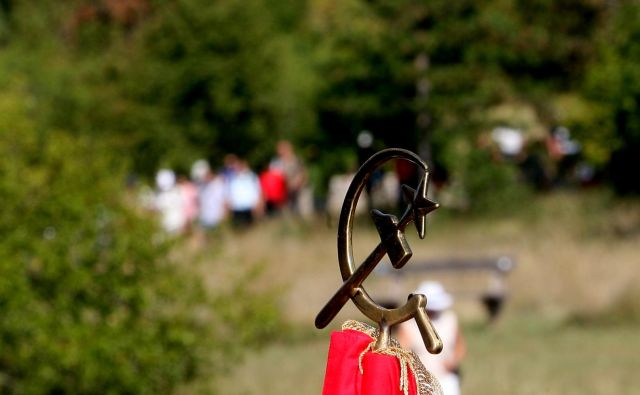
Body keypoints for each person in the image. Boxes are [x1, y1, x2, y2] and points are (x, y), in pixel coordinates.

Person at [399, 281, 466, 395]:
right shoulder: (409, 324)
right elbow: (401, 351)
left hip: (445, 378)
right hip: (421, 380)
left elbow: (460, 346)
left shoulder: (449, 320)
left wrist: (452, 362)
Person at [270, 140, 306, 213]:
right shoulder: (276, 162)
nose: (279, 151)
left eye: (281, 149)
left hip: (300, 190)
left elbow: (303, 174)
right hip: (285, 192)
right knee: (288, 212)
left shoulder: (297, 160)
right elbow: (274, 177)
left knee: (303, 211)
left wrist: (296, 183)